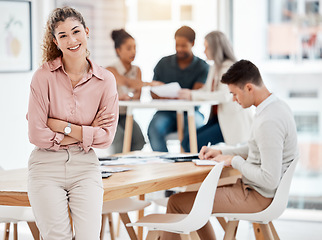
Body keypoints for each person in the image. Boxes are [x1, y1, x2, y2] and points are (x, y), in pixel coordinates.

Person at [162, 60, 299, 240]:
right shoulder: (276, 108)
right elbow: (255, 148)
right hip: (256, 191)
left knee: (176, 202)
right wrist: (223, 152)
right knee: (198, 195)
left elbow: (269, 179)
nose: (234, 100)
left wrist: (233, 161)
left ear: (249, 88)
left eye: (235, 94)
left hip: (258, 196)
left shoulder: (269, 121)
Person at [27, 7, 118, 239]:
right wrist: (86, 132)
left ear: (87, 32)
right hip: (46, 167)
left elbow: (106, 137)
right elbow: (36, 135)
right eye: (63, 35)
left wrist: (59, 125)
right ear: (56, 42)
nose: (72, 40)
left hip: (85, 166)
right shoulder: (43, 76)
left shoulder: (105, 80)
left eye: (76, 31)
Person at [178, 31, 253, 152]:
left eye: (207, 47)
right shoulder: (215, 67)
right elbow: (208, 90)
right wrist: (188, 93)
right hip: (218, 119)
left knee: (193, 144)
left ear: (215, 48)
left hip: (230, 123)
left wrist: (192, 95)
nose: (204, 51)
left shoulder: (229, 67)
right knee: (187, 141)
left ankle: (200, 168)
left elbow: (224, 96)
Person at [148, 26, 209, 152]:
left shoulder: (202, 66)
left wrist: (166, 94)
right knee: (154, 129)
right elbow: (154, 93)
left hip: (191, 112)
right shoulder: (163, 63)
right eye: (177, 45)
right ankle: (166, 164)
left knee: (195, 128)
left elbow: (197, 93)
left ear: (192, 43)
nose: (179, 49)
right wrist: (182, 95)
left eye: (183, 45)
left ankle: (188, 165)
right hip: (166, 112)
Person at [106, 29, 146, 153]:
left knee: (139, 140)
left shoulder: (137, 70)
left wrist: (127, 95)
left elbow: (138, 96)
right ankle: (117, 168)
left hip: (125, 115)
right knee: (120, 138)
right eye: (129, 48)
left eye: (135, 48)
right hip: (110, 117)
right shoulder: (111, 69)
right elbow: (126, 83)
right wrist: (150, 84)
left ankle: (130, 166)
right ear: (118, 50)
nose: (133, 52)